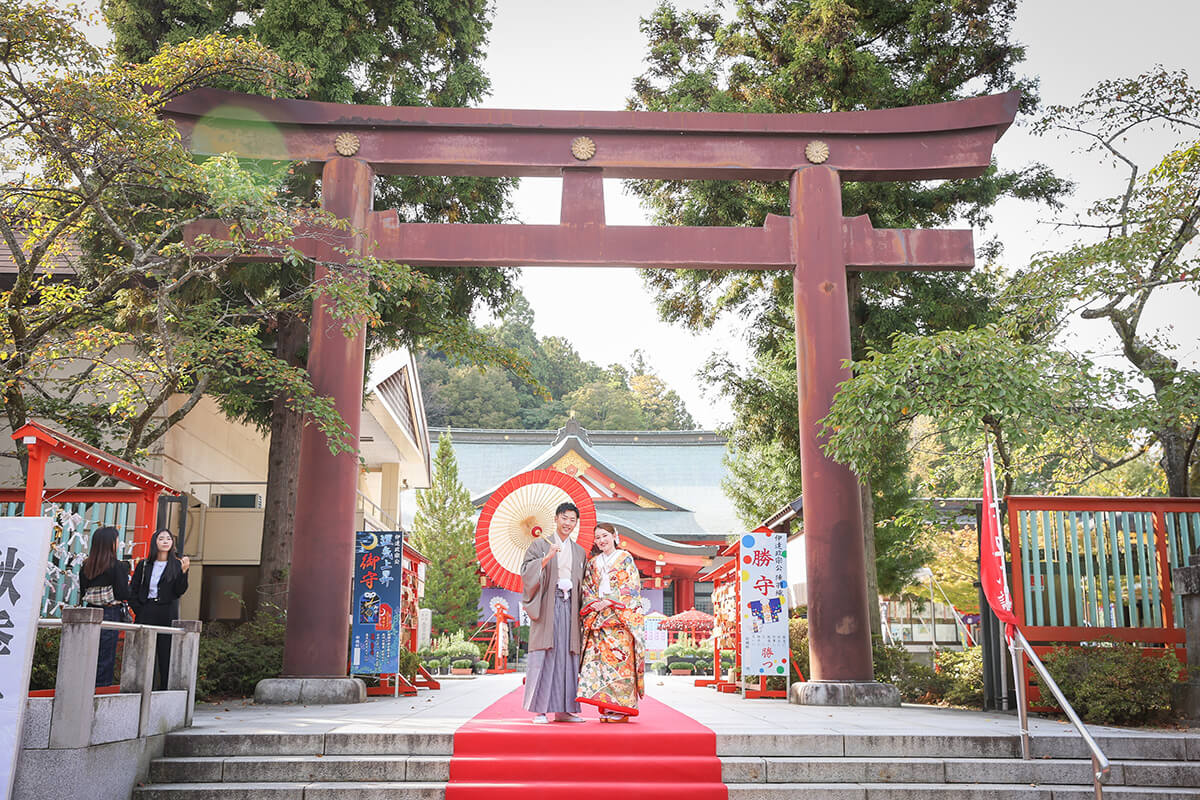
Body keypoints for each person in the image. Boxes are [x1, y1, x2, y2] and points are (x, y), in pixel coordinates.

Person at [520, 501, 587, 723]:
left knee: (567, 655)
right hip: (547, 605)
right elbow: (526, 573)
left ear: (576, 524)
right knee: (545, 653)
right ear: (556, 519)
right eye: (564, 518)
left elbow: (584, 583)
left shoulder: (579, 552)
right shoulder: (539, 545)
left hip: (571, 606)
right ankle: (540, 710)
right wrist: (546, 558)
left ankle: (564, 709)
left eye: (572, 520)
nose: (568, 523)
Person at [577, 523, 645, 722]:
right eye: (597, 537)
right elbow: (587, 588)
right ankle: (608, 705)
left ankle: (623, 708)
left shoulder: (625, 558)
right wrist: (594, 603)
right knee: (601, 666)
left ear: (615, 536)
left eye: (605, 535)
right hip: (598, 620)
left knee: (620, 664)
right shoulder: (593, 563)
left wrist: (610, 601)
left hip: (619, 621)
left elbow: (631, 586)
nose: (601, 540)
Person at [130, 529, 190, 689]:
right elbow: (133, 589)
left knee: (166, 654)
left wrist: (184, 572)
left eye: (168, 539)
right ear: (154, 542)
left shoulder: (177, 564)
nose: (165, 541)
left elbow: (179, 591)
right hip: (147, 609)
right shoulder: (144, 564)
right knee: (143, 653)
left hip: (167, 611)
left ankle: (164, 690)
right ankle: (141, 689)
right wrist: (139, 609)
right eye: (161, 538)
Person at [79, 526, 131, 687]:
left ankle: (85, 687)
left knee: (88, 654)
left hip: (90, 611)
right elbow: (122, 593)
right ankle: (101, 690)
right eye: (117, 540)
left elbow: (83, 590)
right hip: (110, 612)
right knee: (105, 655)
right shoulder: (118, 566)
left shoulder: (86, 566)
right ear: (111, 543)